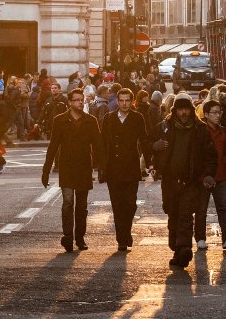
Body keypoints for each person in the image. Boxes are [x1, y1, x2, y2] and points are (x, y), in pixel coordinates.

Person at [149, 93, 217, 268]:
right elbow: (148, 142)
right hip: (170, 180)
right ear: (175, 110)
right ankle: (176, 249)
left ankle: (184, 247)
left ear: (192, 110)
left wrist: (209, 174)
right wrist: (154, 147)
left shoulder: (200, 129)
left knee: (186, 215)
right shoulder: (165, 126)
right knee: (173, 213)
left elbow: (210, 155)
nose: (184, 113)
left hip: (191, 181)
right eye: (180, 109)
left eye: (187, 109)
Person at [42, 88, 104, 252]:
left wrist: (102, 168)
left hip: (84, 167)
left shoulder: (90, 120)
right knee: (68, 202)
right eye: (75, 99)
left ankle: (80, 238)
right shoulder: (60, 120)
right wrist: (46, 170)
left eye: (80, 99)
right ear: (69, 102)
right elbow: (53, 145)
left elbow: (98, 145)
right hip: (67, 167)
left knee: (81, 206)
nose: (79, 102)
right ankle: (68, 237)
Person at [100, 88, 150, 251]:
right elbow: (102, 144)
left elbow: (143, 141)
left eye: (127, 100)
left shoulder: (137, 118)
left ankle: (126, 231)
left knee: (130, 204)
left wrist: (149, 164)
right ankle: (122, 238)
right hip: (113, 168)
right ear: (117, 101)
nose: (124, 103)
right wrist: (101, 166)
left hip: (131, 166)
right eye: (121, 100)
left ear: (132, 101)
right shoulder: (109, 118)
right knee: (117, 204)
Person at [198, 100, 226, 250]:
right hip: (204, 177)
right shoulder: (200, 131)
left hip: (221, 176)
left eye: (219, 112)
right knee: (201, 209)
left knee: (223, 207)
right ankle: (200, 239)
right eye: (214, 113)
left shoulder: (222, 131)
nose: (218, 116)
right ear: (206, 114)